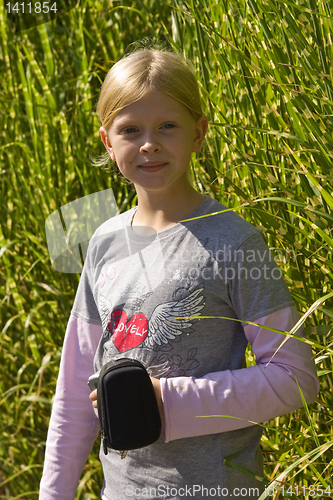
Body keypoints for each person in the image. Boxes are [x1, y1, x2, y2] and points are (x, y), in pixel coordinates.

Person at [39, 47, 320, 500]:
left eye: (167, 125)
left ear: (199, 132)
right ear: (108, 143)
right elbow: (75, 393)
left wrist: (167, 402)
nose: (149, 143)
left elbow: (295, 377)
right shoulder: (103, 242)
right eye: (130, 130)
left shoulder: (233, 242)